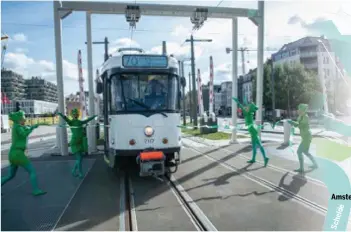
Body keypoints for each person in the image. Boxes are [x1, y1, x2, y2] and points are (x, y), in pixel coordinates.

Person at [1, 110, 46, 196]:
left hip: (12, 154)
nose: (24, 121)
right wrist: (32, 128)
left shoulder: (16, 126)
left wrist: (31, 127)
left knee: (10, 175)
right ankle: (36, 190)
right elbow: (24, 134)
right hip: (18, 154)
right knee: (32, 171)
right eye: (23, 119)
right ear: (18, 120)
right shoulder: (18, 127)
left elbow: (25, 128)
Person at [57, 108, 97, 178]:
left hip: (80, 141)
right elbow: (66, 119)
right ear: (73, 115)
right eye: (74, 114)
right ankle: (80, 173)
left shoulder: (78, 122)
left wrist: (93, 117)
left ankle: (74, 171)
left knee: (80, 159)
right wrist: (61, 115)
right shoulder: (71, 122)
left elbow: (87, 120)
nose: (75, 115)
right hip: (75, 142)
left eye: (76, 114)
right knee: (79, 159)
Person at [233, 97, 269, 167]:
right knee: (254, 145)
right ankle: (254, 158)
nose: (246, 106)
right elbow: (251, 107)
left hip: (252, 129)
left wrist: (237, 102)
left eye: (248, 106)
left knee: (258, 144)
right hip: (252, 128)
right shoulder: (249, 110)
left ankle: (265, 158)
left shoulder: (248, 110)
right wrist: (245, 103)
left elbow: (243, 108)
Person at [288, 104, 318, 173]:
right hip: (305, 137)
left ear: (303, 110)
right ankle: (315, 164)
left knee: (299, 151)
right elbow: (297, 125)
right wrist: (292, 122)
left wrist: (292, 122)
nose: (298, 110)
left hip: (307, 137)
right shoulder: (300, 117)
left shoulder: (306, 117)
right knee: (306, 152)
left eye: (299, 109)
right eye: (298, 109)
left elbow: (300, 125)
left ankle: (301, 169)